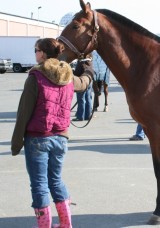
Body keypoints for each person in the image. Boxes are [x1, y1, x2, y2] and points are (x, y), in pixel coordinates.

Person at [11, 38, 93, 228]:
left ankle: (44, 225)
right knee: (55, 181)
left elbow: (23, 112)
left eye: (36, 50)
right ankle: (65, 224)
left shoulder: (35, 76)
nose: (35, 53)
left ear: (44, 54)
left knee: (39, 184)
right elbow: (85, 82)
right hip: (60, 139)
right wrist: (89, 67)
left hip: (38, 138)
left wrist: (16, 143)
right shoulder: (69, 76)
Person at [72, 55, 93, 121]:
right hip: (89, 82)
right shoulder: (90, 62)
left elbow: (77, 73)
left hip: (82, 82)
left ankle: (80, 116)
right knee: (88, 98)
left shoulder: (81, 63)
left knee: (81, 99)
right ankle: (88, 115)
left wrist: (72, 70)